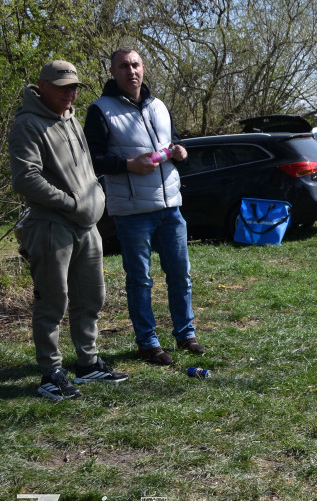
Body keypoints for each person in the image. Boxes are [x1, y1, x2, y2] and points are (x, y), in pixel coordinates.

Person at [9, 60, 130, 399]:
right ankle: (51, 374)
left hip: (87, 227)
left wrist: (95, 197)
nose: (70, 92)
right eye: (62, 87)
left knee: (92, 297)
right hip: (51, 226)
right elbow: (26, 179)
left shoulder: (72, 118)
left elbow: (87, 169)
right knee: (53, 302)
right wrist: (73, 203)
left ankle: (88, 365)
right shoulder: (27, 124)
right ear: (42, 85)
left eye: (74, 86)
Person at [85, 48, 205, 366]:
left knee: (180, 274)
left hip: (170, 207)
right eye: (123, 66)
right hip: (132, 210)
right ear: (112, 71)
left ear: (144, 68)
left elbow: (172, 140)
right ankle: (148, 343)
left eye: (136, 65)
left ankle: (185, 333)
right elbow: (92, 158)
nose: (131, 71)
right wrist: (128, 164)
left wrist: (179, 150)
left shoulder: (159, 106)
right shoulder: (100, 110)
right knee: (140, 279)